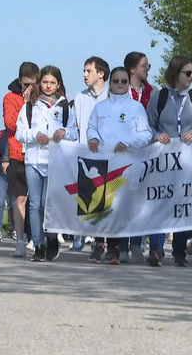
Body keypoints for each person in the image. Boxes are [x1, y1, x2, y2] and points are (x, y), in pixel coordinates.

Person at [146, 55, 192, 267]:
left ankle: (179, 251)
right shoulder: (160, 96)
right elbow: (148, 124)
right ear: (176, 74)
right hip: (164, 159)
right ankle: (156, 249)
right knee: (161, 202)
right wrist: (157, 135)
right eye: (188, 73)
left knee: (183, 204)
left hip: (188, 160)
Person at [87, 66, 152, 265]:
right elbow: (91, 127)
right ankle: (98, 244)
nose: (120, 84)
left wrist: (128, 143)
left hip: (125, 164)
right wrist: (93, 138)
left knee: (117, 207)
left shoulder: (136, 108)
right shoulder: (100, 107)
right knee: (100, 204)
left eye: (124, 81)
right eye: (116, 80)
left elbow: (146, 134)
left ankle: (114, 249)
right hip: (102, 163)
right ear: (110, 83)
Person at [16, 66, 78, 262]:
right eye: (45, 82)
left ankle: (52, 237)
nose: (48, 86)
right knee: (34, 204)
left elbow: (75, 132)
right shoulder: (29, 106)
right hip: (34, 160)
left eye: (52, 82)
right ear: (39, 83)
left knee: (46, 203)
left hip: (55, 163)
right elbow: (19, 133)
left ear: (58, 84)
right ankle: (38, 244)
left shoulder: (65, 107)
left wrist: (64, 133)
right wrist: (36, 135)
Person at [117, 51, 158, 263]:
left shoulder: (153, 92)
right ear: (132, 69)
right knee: (124, 199)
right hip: (124, 153)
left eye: (148, 66)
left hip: (146, 153)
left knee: (142, 199)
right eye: (144, 66)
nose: (147, 70)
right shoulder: (120, 91)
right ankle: (122, 245)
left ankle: (137, 243)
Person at [72, 56, 109, 259]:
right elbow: (75, 126)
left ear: (100, 74)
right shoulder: (79, 97)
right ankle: (81, 235)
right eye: (84, 71)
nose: (85, 75)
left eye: (89, 71)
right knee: (85, 198)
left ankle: (100, 242)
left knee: (104, 201)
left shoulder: (112, 97)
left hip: (107, 154)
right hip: (85, 154)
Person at [4, 62, 39, 257]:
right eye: (25, 84)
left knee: (36, 200)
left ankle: (36, 238)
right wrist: (26, 103)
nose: (29, 88)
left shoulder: (42, 100)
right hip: (17, 154)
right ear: (19, 82)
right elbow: (11, 123)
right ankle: (19, 239)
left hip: (36, 155)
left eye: (33, 84)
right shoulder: (10, 98)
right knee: (20, 199)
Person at [0, 129, 13, 242]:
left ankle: (14, 229)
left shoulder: (17, 133)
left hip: (13, 172)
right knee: (0, 202)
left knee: (14, 203)